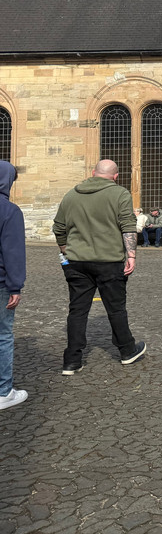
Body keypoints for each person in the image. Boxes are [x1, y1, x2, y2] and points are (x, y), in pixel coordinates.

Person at [52, 159, 146, 374]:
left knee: (77, 310)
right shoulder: (120, 194)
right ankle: (127, 351)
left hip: (77, 262)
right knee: (116, 308)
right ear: (116, 176)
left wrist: (65, 250)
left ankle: (72, 361)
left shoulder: (71, 195)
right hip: (109, 261)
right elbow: (128, 225)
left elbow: (59, 227)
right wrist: (131, 255)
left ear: (93, 173)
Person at [0, 162, 28, 410]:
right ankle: (3, 392)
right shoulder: (9, 210)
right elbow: (13, 252)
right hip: (0, 284)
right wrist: (15, 286)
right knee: (2, 336)